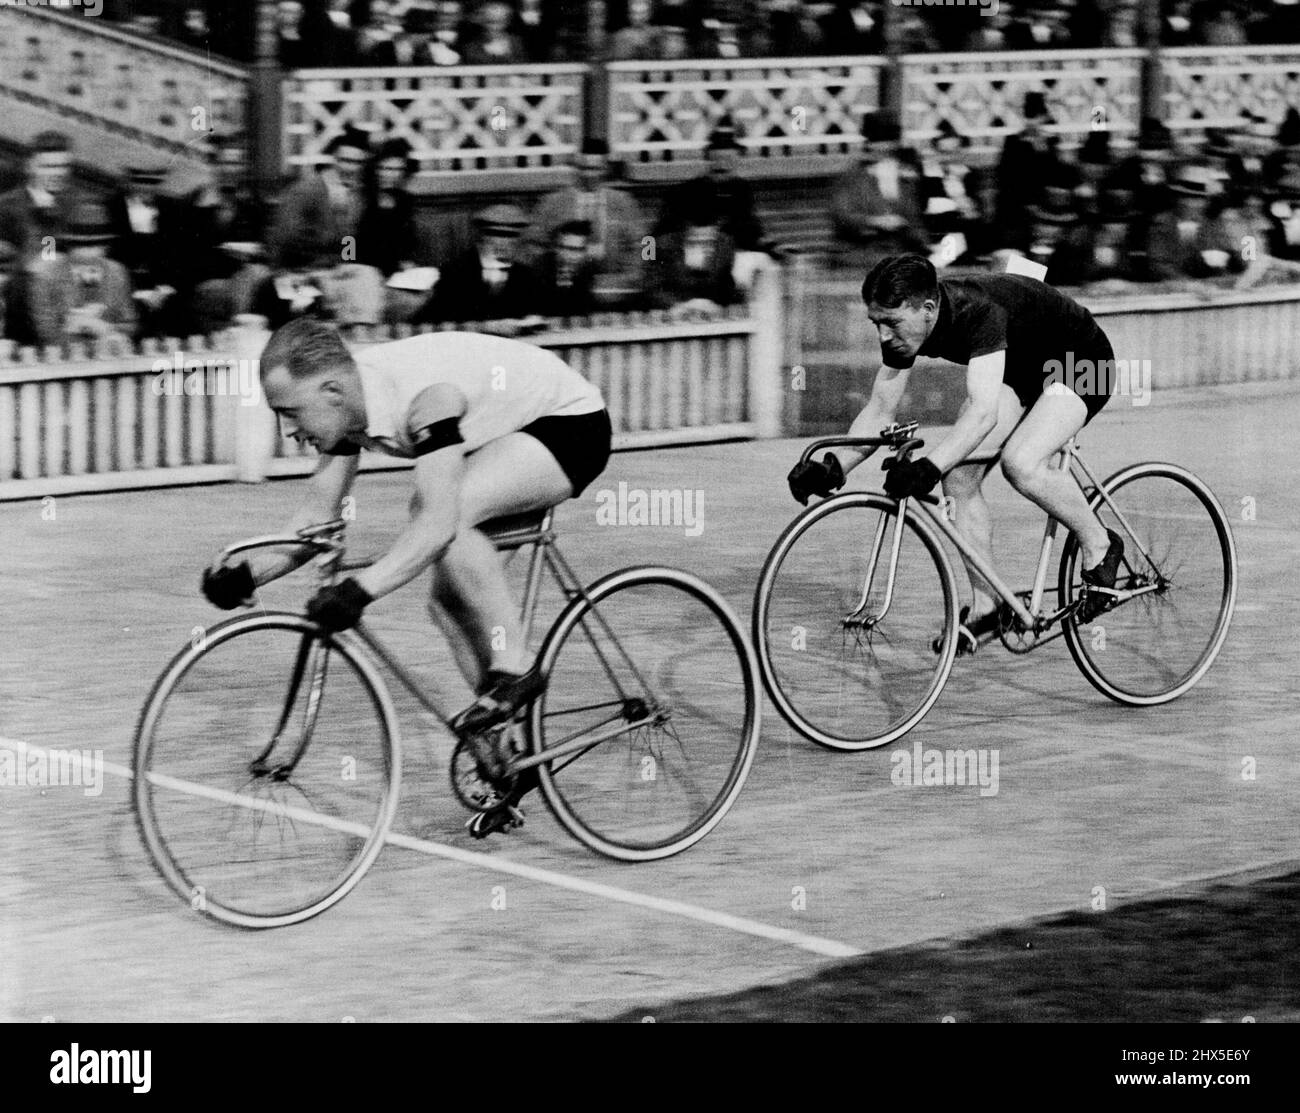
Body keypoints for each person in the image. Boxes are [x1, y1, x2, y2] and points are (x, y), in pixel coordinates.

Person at [200, 319, 612, 837]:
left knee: (444, 511)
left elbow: (438, 523)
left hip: (568, 425)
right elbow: (315, 524)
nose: (287, 431)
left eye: (290, 412)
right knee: (445, 604)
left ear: (331, 390)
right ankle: (502, 754)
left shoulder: (422, 399)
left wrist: (361, 589)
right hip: (504, 436)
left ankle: (519, 664)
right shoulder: (347, 413)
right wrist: (245, 573)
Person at [787, 254, 1127, 651]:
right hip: (1022, 366)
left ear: (928, 309)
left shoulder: (977, 312)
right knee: (959, 477)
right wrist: (833, 469)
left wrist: (929, 466)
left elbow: (982, 414)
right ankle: (988, 606)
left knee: (1021, 462)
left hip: (1081, 360)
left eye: (891, 322)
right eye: (875, 323)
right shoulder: (904, 330)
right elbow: (881, 409)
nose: (882, 335)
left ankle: (1100, 545)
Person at [830, 112, 928, 269]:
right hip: (859, 250)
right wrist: (875, 221)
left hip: (898, 250)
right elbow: (842, 215)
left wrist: (928, 246)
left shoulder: (905, 178)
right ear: (868, 145)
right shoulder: (852, 176)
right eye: (878, 143)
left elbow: (913, 219)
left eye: (889, 144)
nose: (884, 149)